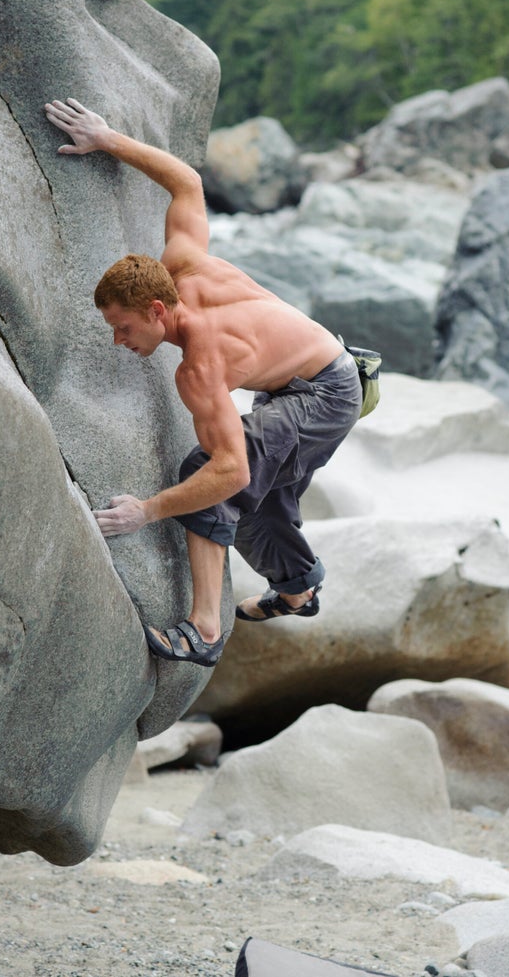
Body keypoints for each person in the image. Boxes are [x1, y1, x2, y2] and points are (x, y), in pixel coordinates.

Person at [44, 98, 362, 667]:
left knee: (213, 473)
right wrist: (106, 138)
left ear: (159, 309)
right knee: (262, 496)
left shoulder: (201, 367)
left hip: (327, 393)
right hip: (307, 374)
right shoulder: (182, 260)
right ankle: (298, 589)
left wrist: (147, 511)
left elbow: (228, 470)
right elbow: (187, 182)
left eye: (124, 327)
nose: (119, 340)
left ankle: (206, 628)